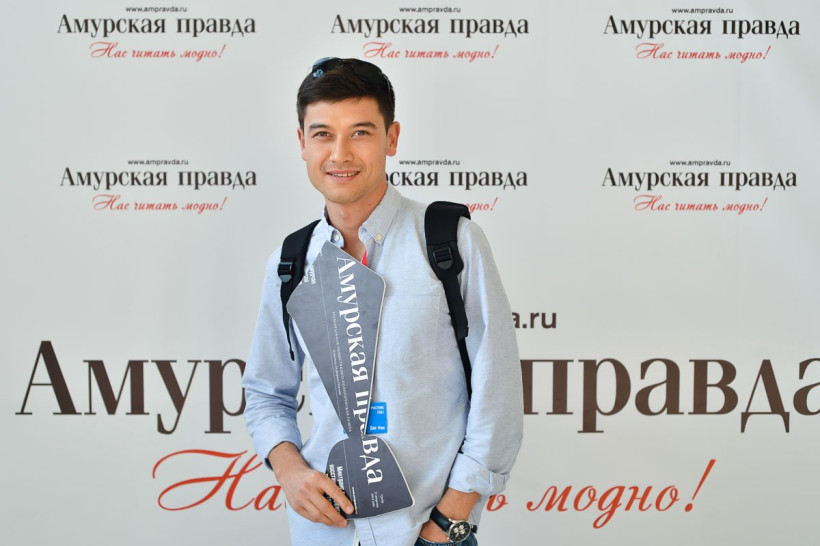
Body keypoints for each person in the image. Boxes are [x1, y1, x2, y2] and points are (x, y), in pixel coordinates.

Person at [243, 57, 523, 546]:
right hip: (325, 533)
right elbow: (266, 392)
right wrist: (289, 470)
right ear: (302, 143)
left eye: (361, 132)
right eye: (323, 134)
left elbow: (496, 390)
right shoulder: (289, 263)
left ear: (392, 138)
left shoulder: (451, 242)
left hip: (429, 532)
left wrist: (449, 521)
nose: (340, 154)